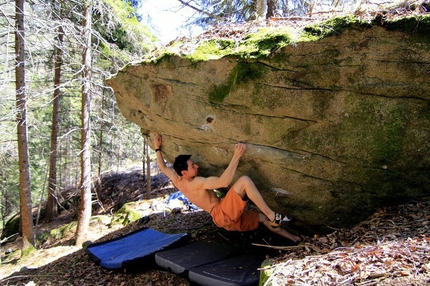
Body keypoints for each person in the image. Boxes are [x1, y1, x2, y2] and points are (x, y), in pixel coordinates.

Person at [153, 134, 301, 243]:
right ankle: (272, 215)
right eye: (193, 166)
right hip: (222, 212)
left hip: (222, 219)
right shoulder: (197, 182)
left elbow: (163, 166)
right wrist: (236, 156)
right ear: (184, 172)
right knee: (244, 181)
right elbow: (223, 182)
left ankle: (294, 238)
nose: (196, 166)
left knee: (261, 219)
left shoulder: (177, 180)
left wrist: (157, 148)